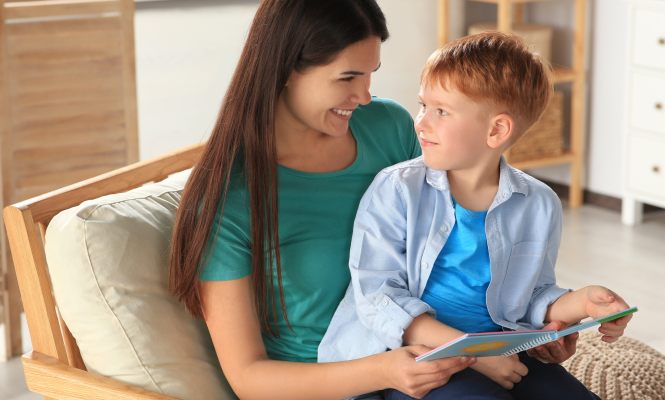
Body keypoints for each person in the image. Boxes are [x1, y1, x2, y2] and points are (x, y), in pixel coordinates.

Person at [166, 1, 495, 399]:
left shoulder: (389, 129)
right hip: (337, 382)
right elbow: (248, 377)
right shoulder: (232, 197)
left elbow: (457, 241)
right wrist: (384, 371)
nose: (365, 95)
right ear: (286, 68)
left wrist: (534, 317)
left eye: (370, 74)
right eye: (347, 77)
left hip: (428, 344)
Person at [318, 32, 633, 400]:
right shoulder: (397, 189)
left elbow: (530, 297)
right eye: (424, 105)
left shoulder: (539, 203)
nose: (421, 123)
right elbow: (377, 297)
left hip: (501, 349)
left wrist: (582, 304)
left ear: (497, 129)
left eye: (441, 111)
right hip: (415, 359)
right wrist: (472, 353)